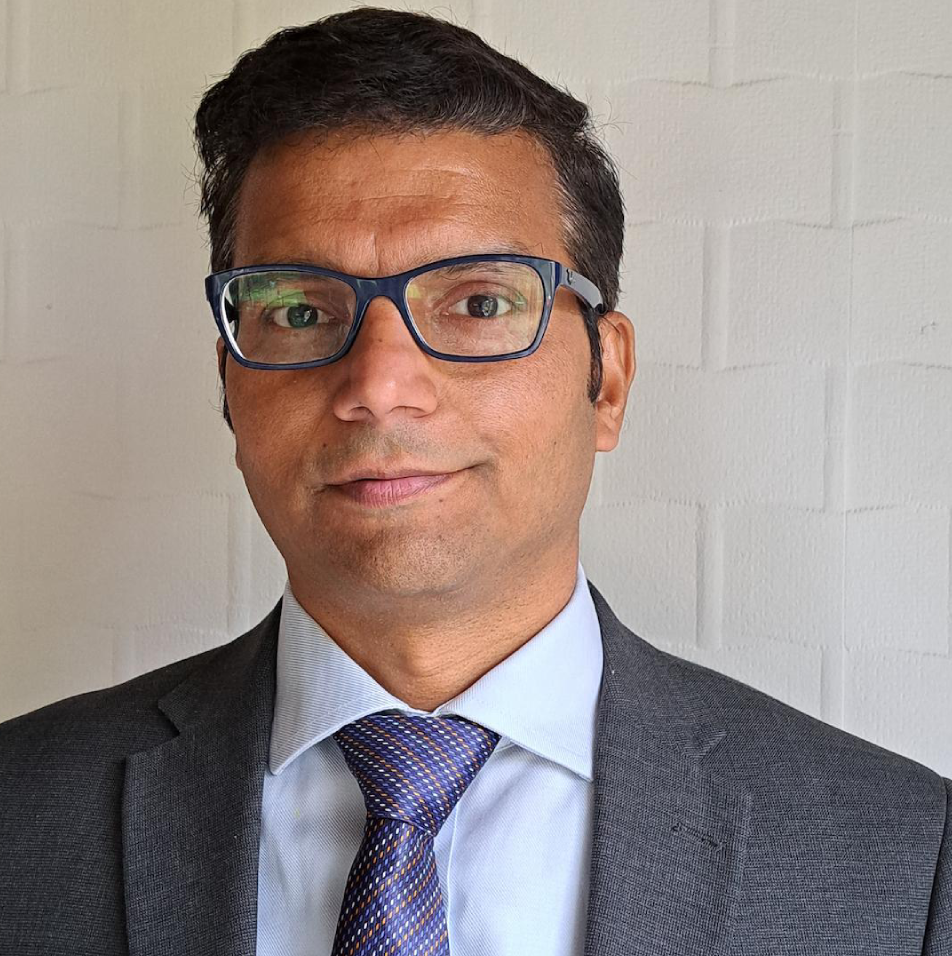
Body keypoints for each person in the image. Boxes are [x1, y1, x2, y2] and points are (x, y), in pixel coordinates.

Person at [0, 7, 948, 954]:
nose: (379, 386)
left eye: (480, 302)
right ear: (229, 384)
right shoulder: (22, 815)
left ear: (607, 381)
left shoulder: (904, 863)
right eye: (299, 311)